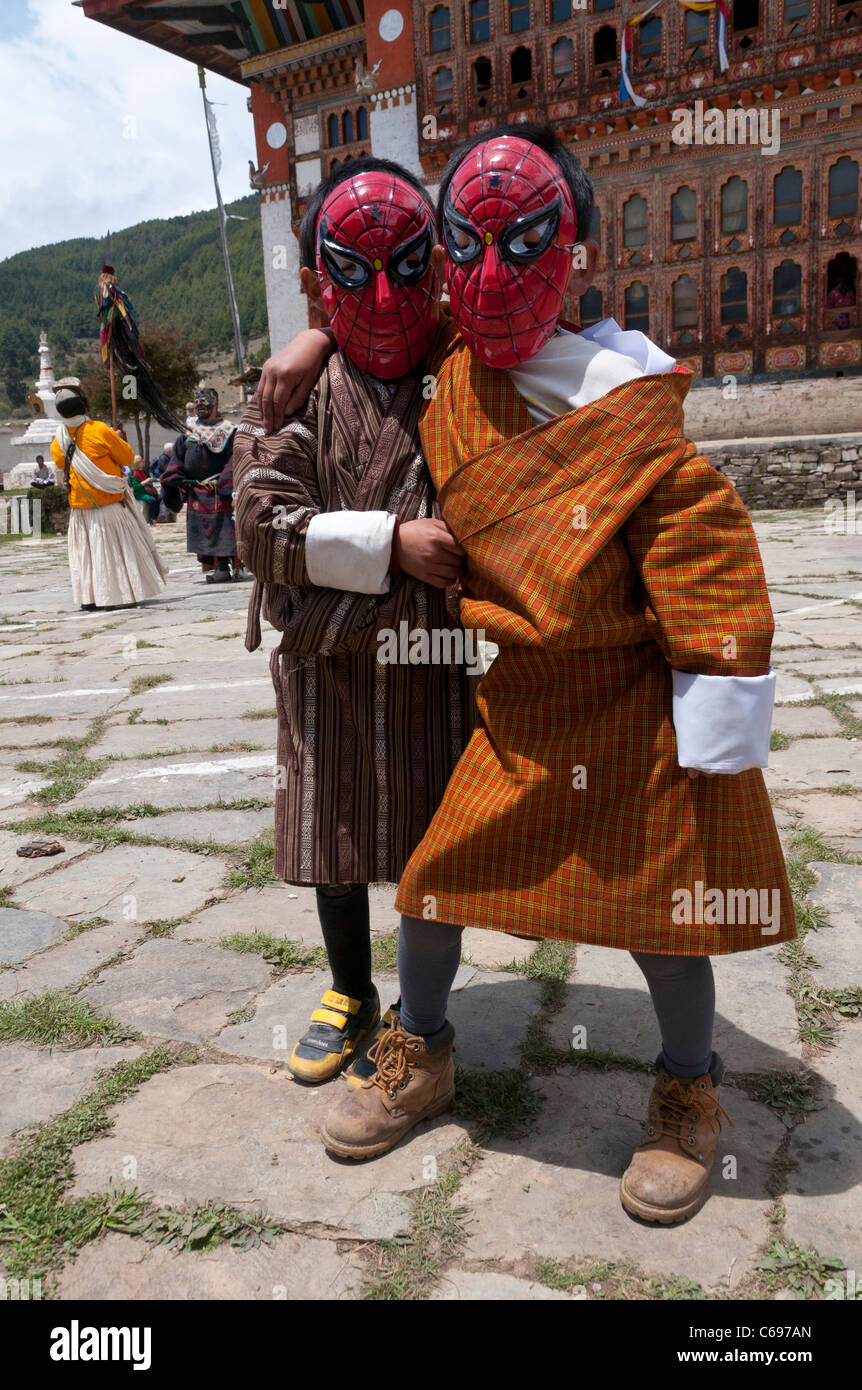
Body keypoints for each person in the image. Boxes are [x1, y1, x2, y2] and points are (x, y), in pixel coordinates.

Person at [257, 125, 796, 1226]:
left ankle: (689, 1090)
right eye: (467, 244)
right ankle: (425, 1048)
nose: (492, 273)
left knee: (662, 912)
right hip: (524, 696)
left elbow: (701, 547)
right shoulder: (460, 368)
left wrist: (717, 708)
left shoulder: (626, 392)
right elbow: (389, 310)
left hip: (637, 695)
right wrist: (315, 333)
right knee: (435, 876)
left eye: (525, 241)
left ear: (579, 251)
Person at [233, 159, 473, 1085]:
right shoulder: (289, 397)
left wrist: (332, 582)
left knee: (426, 830)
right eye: (354, 271)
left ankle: (421, 1012)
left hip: (426, 661)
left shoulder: (460, 378)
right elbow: (262, 525)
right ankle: (349, 987)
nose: (384, 294)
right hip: (329, 669)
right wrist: (393, 547)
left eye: (407, 266)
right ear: (317, 280)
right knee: (332, 824)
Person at [49, 378, 168, 610]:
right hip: (108, 508)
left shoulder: (58, 441)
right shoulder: (99, 430)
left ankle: (91, 597)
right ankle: (117, 595)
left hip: (80, 511)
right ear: (84, 406)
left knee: (87, 558)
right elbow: (126, 459)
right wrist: (116, 438)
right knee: (113, 555)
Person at [161, 388, 237, 581]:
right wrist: (173, 476)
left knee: (223, 532)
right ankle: (215, 566)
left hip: (219, 491)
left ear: (216, 403)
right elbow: (177, 458)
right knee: (205, 533)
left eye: (205, 401)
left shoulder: (229, 431)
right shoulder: (188, 434)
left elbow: (235, 458)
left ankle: (224, 568)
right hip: (196, 492)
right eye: (197, 402)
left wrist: (226, 481)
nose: (200, 405)